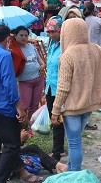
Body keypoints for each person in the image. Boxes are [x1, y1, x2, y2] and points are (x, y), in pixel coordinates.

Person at [50, 18, 101, 171]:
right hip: (88, 105)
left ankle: (75, 174)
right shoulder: (96, 49)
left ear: (65, 34)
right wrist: (97, 80)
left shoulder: (68, 55)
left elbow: (63, 88)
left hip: (73, 106)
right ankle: (72, 168)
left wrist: (55, 111)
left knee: (74, 143)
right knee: (76, 141)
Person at [0, 24, 41, 183]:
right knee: (12, 146)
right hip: (3, 107)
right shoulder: (5, 56)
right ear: (7, 39)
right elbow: (9, 84)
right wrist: (19, 106)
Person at [0, 122, 67, 179]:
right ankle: (24, 174)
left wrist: (19, 140)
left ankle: (56, 165)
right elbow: (3, 149)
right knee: (10, 151)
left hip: (2, 156)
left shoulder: (2, 124)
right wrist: (19, 140)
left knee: (32, 148)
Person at [44, 16, 66, 161]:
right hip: (50, 88)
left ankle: (57, 152)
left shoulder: (65, 46)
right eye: (49, 32)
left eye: (53, 32)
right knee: (55, 120)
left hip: (61, 88)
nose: (51, 34)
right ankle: (59, 149)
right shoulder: (52, 44)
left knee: (59, 120)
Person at [13, 26, 45, 123]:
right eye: (21, 35)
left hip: (38, 80)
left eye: (26, 35)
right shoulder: (15, 50)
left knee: (34, 106)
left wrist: (42, 66)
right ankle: (20, 126)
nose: (24, 38)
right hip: (25, 82)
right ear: (15, 35)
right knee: (25, 105)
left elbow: (41, 61)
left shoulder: (31, 47)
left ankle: (31, 127)